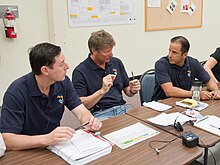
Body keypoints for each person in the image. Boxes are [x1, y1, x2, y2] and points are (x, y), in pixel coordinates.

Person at [0, 42, 102, 151]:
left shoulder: (63, 82)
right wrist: (45, 139)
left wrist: (90, 121)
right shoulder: (16, 92)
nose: (67, 67)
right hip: (26, 151)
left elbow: (81, 111)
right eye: (61, 64)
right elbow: (8, 139)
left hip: (55, 146)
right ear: (45, 70)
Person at [72, 30, 140, 120]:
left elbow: (127, 91)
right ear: (94, 51)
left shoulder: (116, 62)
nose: (111, 54)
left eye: (111, 50)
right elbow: (82, 105)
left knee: (144, 125)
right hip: (100, 113)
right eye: (106, 51)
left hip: (122, 108)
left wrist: (132, 90)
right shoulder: (80, 71)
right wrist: (102, 91)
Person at [152, 36, 220, 101]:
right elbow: (169, 91)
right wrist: (195, 94)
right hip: (162, 103)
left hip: (183, 101)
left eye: (174, 52)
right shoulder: (161, 64)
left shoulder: (194, 63)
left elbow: (209, 81)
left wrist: (216, 90)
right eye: (169, 51)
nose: (170, 55)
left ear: (185, 55)